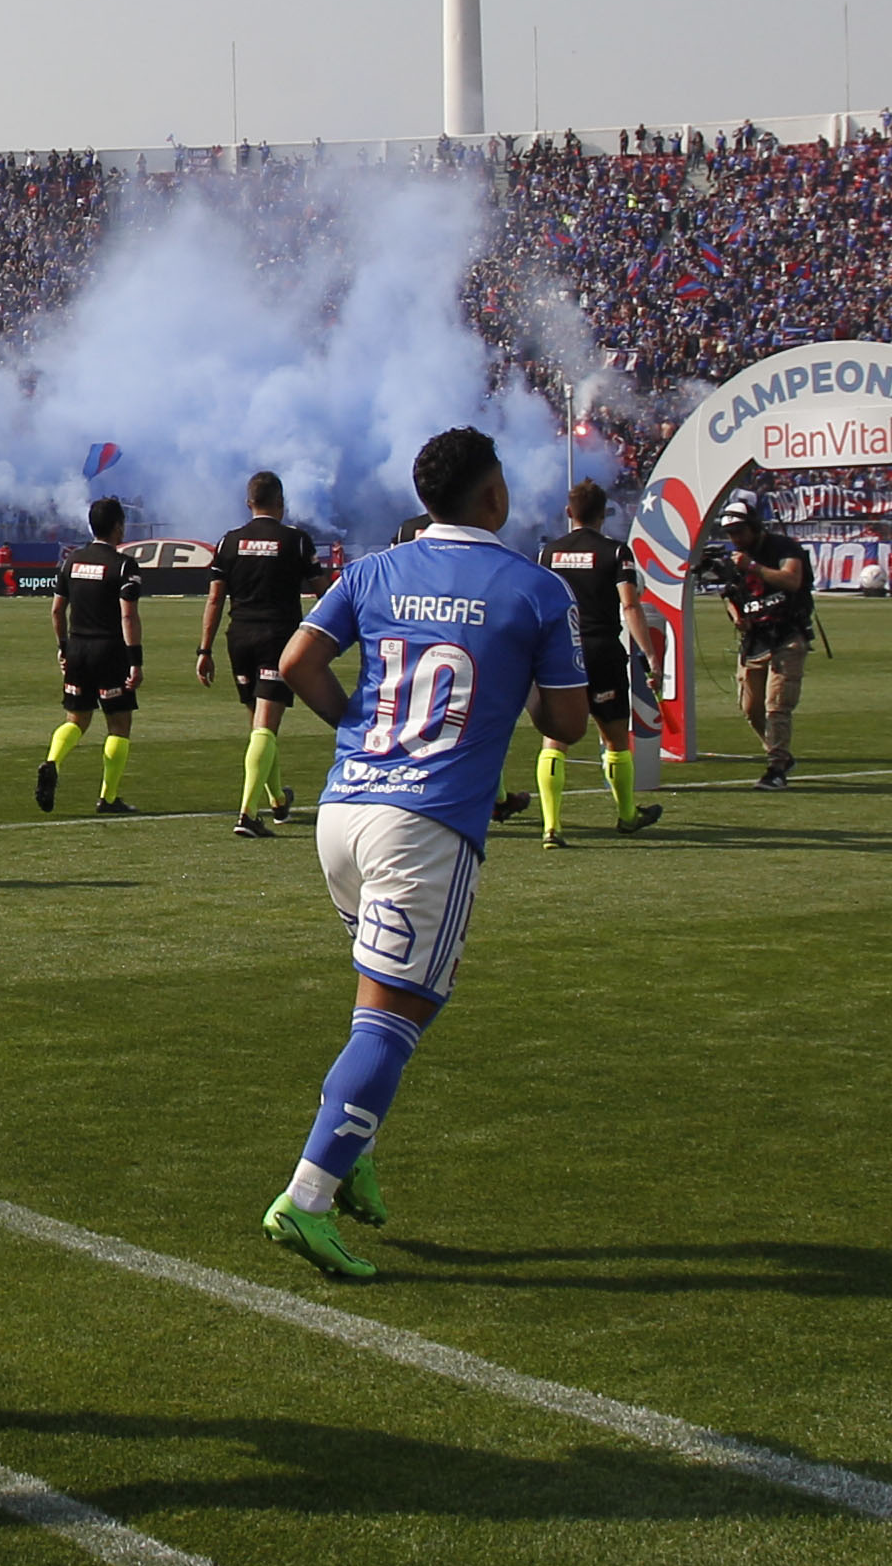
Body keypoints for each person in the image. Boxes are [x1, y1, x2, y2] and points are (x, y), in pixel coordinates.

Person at [256, 428, 589, 1282]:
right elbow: (566, 724)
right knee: (390, 1018)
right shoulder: (535, 589)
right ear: (491, 497)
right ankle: (308, 1193)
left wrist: (363, 733)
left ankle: (350, 1143)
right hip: (423, 826)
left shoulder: (369, 570)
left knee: (405, 999)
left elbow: (295, 661)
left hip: (342, 816)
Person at [528, 478, 665, 848]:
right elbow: (631, 605)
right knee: (615, 738)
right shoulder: (616, 552)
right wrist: (651, 656)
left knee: (554, 739)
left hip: (560, 653)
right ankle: (626, 814)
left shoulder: (548, 554)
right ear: (604, 514)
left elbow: (536, 605)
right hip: (603, 649)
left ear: (569, 512)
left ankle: (552, 826)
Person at [195, 472, 322, 836]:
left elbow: (216, 599)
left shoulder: (228, 542)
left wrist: (204, 649)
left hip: (239, 639)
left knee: (259, 727)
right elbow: (324, 594)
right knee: (265, 726)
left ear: (249, 503)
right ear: (281, 503)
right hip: (278, 639)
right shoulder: (296, 541)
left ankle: (278, 800)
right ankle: (248, 814)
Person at [35, 496, 142, 815]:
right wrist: (135, 659)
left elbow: (57, 610)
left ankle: (52, 761)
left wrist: (63, 647)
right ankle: (108, 799)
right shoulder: (124, 565)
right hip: (110, 651)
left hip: (78, 650)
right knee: (119, 725)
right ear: (119, 526)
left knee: (77, 720)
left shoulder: (73, 560)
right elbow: (128, 616)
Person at [712, 493, 816, 789]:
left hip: (787, 634)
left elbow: (792, 580)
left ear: (755, 527)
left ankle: (776, 767)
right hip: (755, 639)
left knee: (777, 705)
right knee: (750, 708)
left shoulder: (782, 547)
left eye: (740, 532)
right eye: (731, 533)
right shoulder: (735, 559)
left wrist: (753, 567)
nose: (735, 538)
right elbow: (730, 595)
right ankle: (779, 753)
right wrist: (737, 617)